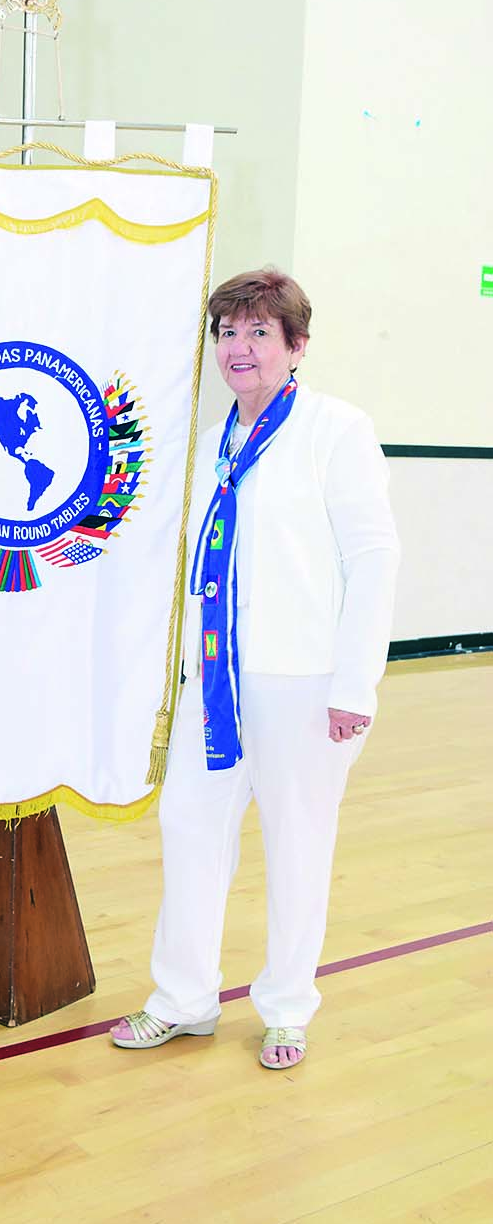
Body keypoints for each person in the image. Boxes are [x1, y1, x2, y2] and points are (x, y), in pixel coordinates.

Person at [111, 267, 399, 1070]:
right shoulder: (208, 448)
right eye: (226, 333)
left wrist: (353, 684)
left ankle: (284, 1008)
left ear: (296, 346)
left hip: (301, 684)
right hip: (212, 681)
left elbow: (374, 558)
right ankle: (183, 998)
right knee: (189, 828)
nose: (238, 349)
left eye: (258, 334)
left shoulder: (335, 430)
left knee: (297, 841)